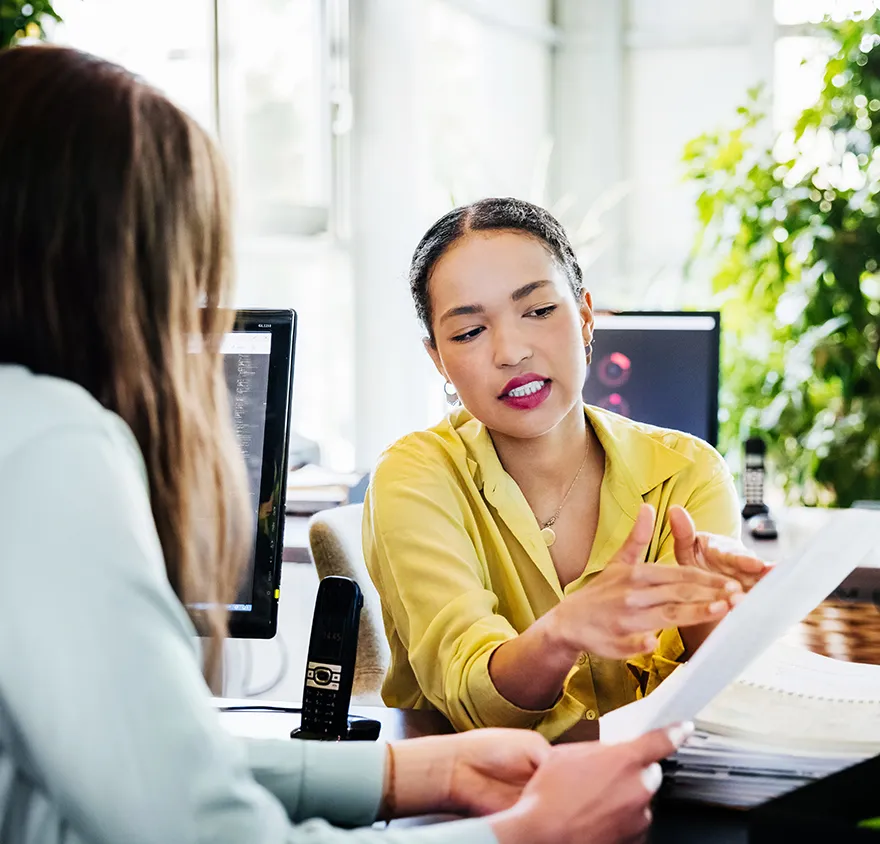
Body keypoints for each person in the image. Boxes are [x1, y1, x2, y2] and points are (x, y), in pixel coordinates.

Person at [0, 45, 689, 844]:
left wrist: (409, 774)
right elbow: (197, 828)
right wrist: (520, 837)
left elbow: (152, 766)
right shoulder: (46, 439)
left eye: (538, 311)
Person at [363, 197, 771, 740]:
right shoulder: (414, 476)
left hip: (663, 800)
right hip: (479, 811)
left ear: (583, 317)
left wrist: (712, 614)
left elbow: (714, 710)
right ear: (438, 357)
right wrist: (562, 633)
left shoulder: (688, 472)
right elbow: (472, 704)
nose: (510, 352)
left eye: (537, 311)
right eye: (468, 333)